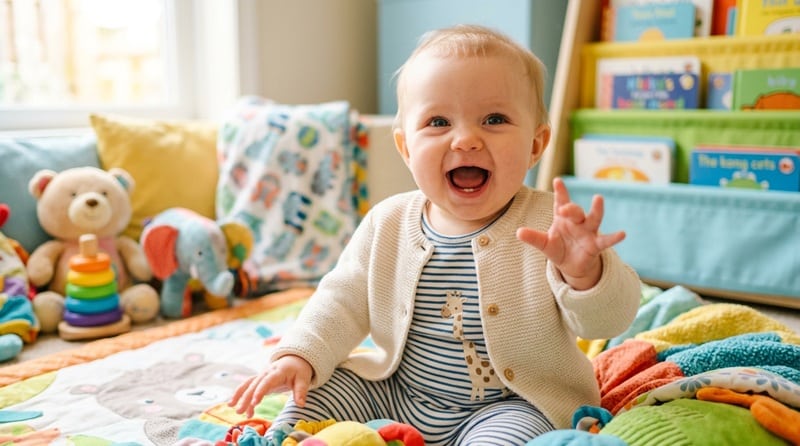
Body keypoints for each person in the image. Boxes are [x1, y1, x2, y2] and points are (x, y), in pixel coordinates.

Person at [230, 24, 641, 445]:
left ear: (536, 145)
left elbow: (608, 321)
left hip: (510, 403)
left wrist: (585, 274)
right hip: (395, 390)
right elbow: (342, 299)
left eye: (494, 119)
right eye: (438, 121)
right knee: (316, 390)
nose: (466, 139)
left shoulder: (551, 228)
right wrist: (300, 354)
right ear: (406, 148)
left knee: (515, 434)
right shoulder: (387, 222)